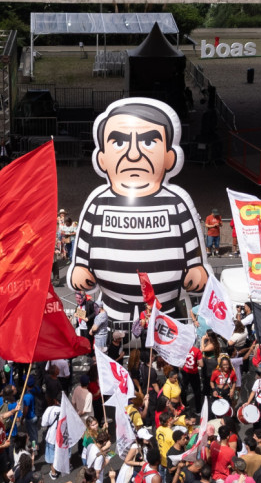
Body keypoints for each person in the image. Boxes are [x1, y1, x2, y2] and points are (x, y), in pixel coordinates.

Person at [69, 98, 209, 321]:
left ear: (170, 157)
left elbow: (191, 245)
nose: (133, 154)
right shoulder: (98, 203)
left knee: (164, 349)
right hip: (113, 309)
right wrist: (82, 267)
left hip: (165, 312)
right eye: (119, 142)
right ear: (102, 158)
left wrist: (194, 268)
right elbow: (84, 243)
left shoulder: (176, 204)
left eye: (149, 142)